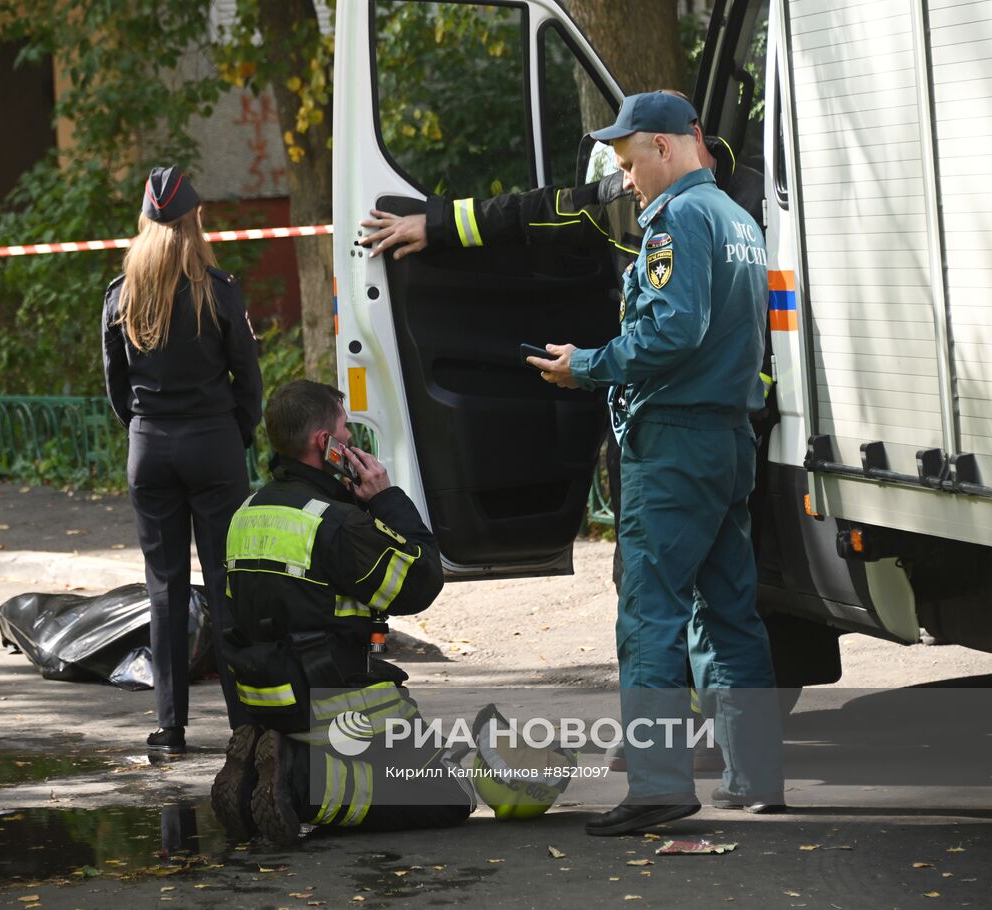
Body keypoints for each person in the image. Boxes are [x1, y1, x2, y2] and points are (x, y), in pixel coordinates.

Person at [529, 91, 784, 834]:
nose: (626, 179)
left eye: (629, 160)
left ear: (668, 147)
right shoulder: (739, 220)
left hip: (673, 445)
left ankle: (658, 785)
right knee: (729, 612)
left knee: (651, 617)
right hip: (729, 439)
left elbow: (673, 332)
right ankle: (755, 777)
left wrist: (588, 365)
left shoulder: (678, 220)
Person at [209, 380, 473, 845]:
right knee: (450, 795)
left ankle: (264, 765)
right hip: (335, 702)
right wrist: (385, 498)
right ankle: (299, 781)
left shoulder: (245, 512)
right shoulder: (334, 524)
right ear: (323, 444)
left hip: (269, 696)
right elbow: (421, 580)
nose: (351, 442)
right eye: (345, 432)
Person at [102, 165, 264, 755]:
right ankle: (244, 722)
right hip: (213, 444)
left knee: (164, 589)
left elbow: (117, 388)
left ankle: (170, 728)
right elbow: (248, 376)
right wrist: (236, 433)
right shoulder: (218, 291)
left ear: (144, 224)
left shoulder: (121, 297)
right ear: (196, 220)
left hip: (150, 446)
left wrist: (146, 429)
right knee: (226, 583)